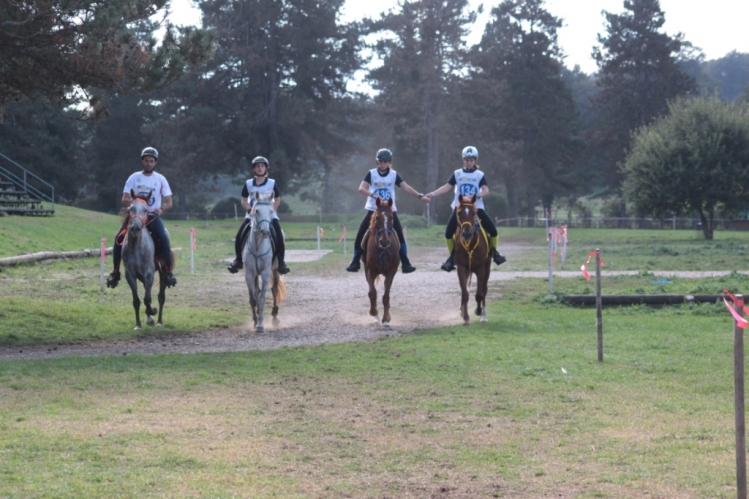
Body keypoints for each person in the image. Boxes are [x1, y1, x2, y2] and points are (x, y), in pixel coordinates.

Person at [345, 148, 429, 273]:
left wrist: (420, 196)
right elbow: (361, 188)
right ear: (377, 161)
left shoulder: (394, 175)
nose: (383, 164)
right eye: (380, 161)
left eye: (385, 161)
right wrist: (373, 195)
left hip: (390, 211)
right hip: (373, 210)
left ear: (389, 162)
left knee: (400, 236)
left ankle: (405, 262)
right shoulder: (371, 173)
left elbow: (406, 187)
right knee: (360, 235)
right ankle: (355, 261)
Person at [424, 146, 506, 272]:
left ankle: (495, 253)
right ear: (463, 160)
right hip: (460, 208)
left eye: (471, 160)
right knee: (448, 233)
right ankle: (452, 257)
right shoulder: (457, 174)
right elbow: (447, 187)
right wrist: (432, 194)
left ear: (475, 161)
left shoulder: (479, 175)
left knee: (493, 231)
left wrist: (476, 196)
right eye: (466, 160)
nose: (469, 162)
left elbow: (486, 190)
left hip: (476, 207)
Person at [106, 147, 177, 288]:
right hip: (135, 215)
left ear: (155, 163)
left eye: (151, 161)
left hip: (151, 216)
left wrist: (161, 209)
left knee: (163, 237)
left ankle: (168, 272)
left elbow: (169, 202)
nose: (149, 163)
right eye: (146, 161)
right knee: (118, 238)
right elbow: (124, 199)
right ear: (142, 161)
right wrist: (135, 202)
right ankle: (115, 272)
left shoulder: (161, 179)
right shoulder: (134, 178)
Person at [227, 156, 290, 275]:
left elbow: (277, 200)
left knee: (279, 237)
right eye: (257, 166)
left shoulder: (272, 183)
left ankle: (281, 262)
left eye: (262, 166)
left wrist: (271, 211)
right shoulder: (248, 183)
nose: (260, 168)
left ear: (266, 168)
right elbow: (244, 200)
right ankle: (238, 260)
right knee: (240, 235)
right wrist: (250, 210)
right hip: (252, 215)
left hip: (269, 216)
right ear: (254, 169)